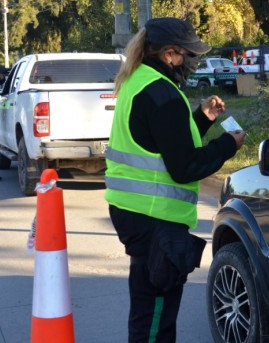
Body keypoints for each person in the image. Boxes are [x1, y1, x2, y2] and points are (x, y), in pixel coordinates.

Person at [105, 17, 246, 342]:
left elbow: (162, 144)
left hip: (136, 214)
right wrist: (228, 144)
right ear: (170, 53)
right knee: (155, 321)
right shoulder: (162, 93)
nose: (192, 63)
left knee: (148, 312)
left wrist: (201, 118)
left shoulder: (138, 80)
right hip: (156, 220)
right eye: (189, 55)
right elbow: (184, 166)